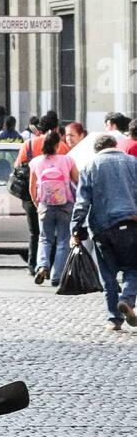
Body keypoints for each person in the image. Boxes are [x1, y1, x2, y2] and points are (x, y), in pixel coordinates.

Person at [71, 134, 137, 330]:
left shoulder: (90, 166)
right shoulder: (133, 162)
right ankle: (126, 299)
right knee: (133, 268)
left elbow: (82, 201)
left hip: (102, 227)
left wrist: (75, 227)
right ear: (115, 145)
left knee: (108, 274)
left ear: (97, 150)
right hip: (130, 223)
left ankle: (114, 319)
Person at [15, 113, 68, 276]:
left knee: (35, 232)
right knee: (54, 233)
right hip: (56, 195)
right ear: (56, 128)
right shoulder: (62, 146)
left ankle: (33, 266)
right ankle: (52, 265)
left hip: (32, 194)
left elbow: (17, 166)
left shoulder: (29, 144)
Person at [29, 130, 78, 286]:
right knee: (63, 240)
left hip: (45, 204)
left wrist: (36, 202)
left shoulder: (36, 162)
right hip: (66, 204)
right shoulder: (68, 160)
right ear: (58, 145)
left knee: (45, 238)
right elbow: (77, 180)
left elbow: (32, 186)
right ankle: (57, 276)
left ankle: (42, 266)